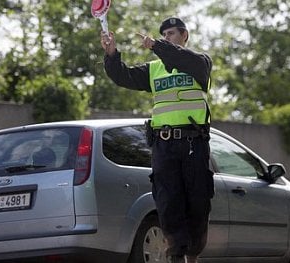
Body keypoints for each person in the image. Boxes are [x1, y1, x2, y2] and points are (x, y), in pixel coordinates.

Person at [100, 17, 214, 263]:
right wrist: (111, 55)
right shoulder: (154, 69)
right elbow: (123, 76)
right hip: (164, 145)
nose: (166, 38)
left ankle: (193, 256)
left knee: (197, 201)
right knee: (168, 202)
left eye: (171, 33)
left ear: (185, 36)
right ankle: (176, 256)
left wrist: (156, 46)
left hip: (194, 144)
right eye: (163, 35)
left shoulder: (200, 63)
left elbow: (183, 58)